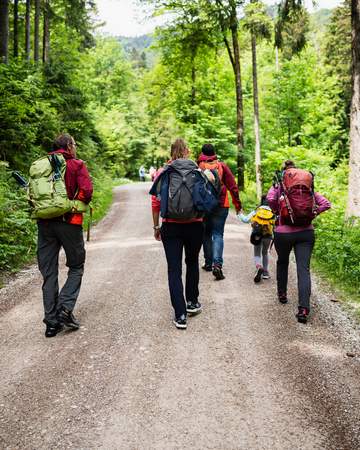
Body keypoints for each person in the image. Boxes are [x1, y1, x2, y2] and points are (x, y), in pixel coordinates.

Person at [37, 134, 93, 337]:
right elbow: (87, 191)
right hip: (69, 222)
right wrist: (75, 202)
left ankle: (51, 323)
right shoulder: (76, 165)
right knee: (76, 266)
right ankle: (65, 308)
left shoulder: (41, 165)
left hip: (44, 224)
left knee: (49, 272)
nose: (75, 148)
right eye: (75, 144)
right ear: (69, 146)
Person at [267, 160, 331, 324]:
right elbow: (326, 203)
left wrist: (278, 211)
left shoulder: (280, 184)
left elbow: (270, 199)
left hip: (283, 232)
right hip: (306, 232)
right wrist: (312, 213)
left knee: (282, 262)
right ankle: (303, 309)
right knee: (303, 269)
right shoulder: (306, 187)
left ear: (285, 172)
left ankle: (282, 294)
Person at [150, 138, 204, 330]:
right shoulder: (198, 171)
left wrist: (156, 227)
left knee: (174, 269)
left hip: (171, 226)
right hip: (195, 225)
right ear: (187, 152)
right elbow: (203, 198)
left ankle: (180, 314)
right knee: (192, 262)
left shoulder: (163, 172)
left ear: (171, 153)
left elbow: (156, 202)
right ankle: (192, 302)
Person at [198, 143, 242, 280]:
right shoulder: (222, 166)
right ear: (214, 153)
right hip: (222, 205)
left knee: (206, 234)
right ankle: (217, 264)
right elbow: (233, 187)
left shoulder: (198, 167)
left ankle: (208, 262)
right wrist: (237, 205)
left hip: (205, 206)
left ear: (202, 153)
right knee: (218, 234)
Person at [239, 195, 274, 283]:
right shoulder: (272, 212)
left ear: (261, 202)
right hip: (268, 236)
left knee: (257, 253)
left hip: (257, 235)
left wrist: (239, 213)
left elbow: (245, 220)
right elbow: (277, 222)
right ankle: (265, 273)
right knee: (265, 253)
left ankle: (259, 267)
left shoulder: (257, 211)